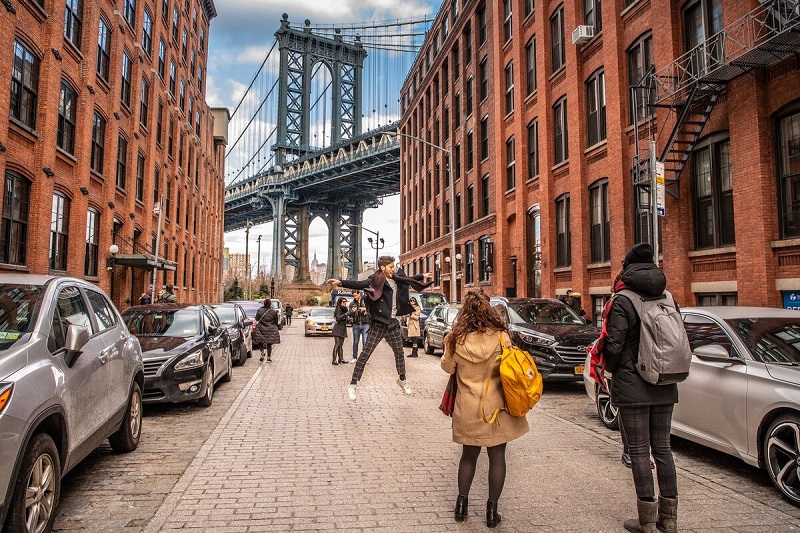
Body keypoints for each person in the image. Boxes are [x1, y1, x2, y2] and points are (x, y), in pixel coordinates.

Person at [603, 243, 679, 533]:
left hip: (633, 384)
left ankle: (646, 521)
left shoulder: (623, 299)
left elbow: (613, 344)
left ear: (627, 267)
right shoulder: (668, 297)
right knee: (663, 449)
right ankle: (669, 519)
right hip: (664, 380)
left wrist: (614, 368)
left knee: (638, 451)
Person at [440, 289, 529, 528]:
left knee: (468, 456)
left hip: (468, 407)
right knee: (497, 456)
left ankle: (462, 506)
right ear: (488, 310)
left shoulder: (455, 338)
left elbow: (448, 368)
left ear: (464, 312)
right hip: (497, 408)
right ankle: (492, 512)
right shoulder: (501, 336)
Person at [326, 255, 433, 401]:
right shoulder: (374, 279)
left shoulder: (397, 277)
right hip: (378, 323)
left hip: (393, 323)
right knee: (365, 354)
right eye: (390, 266)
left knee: (399, 353)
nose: (393, 269)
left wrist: (421, 276)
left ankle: (402, 380)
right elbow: (359, 284)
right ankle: (353, 385)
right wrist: (341, 282)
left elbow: (409, 279)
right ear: (383, 267)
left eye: (393, 266)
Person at [253, 297, 281, 363]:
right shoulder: (273, 312)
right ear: (270, 304)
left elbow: (257, 319)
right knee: (269, 343)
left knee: (260, 341)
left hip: (261, 328)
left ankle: (262, 352)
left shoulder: (259, 310)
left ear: (264, 303)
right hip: (270, 328)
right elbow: (276, 322)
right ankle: (268, 357)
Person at [348, 291, 369, 363]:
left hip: (365, 324)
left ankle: (364, 359)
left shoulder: (366, 302)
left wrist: (365, 310)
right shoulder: (352, 304)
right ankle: (354, 357)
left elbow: (370, 311)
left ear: (359, 294)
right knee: (355, 342)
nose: (355, 297)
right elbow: (349, 315)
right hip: (356, 324)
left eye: (356, 295)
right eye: (354, 296)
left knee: (365, 342)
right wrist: (352, 314)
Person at [332, 297, 349, 365]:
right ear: (340, 302)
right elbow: (338, 318)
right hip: (338, 328)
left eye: (345, 302)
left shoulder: (345, 309)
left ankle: (341, 359)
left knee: (341, 345)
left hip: (343, 328)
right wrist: (345, 315)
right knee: (337, 344)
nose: (345, 303)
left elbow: (347, 316)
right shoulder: (338, 309)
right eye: (343, 302)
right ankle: (334, 360)